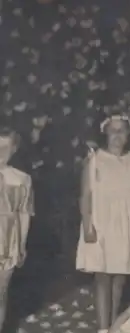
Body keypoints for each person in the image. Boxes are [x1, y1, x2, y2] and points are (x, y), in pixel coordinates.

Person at [76, 113, 130, 333]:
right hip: (102, 222)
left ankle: (113, 325)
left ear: (128, 135)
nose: (117, 135)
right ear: (105, 133)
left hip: (128, 223)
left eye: (122, 131)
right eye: (113, 130)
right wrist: (87, 225)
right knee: (102, 275)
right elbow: (85, 195)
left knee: (120, 275)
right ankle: (102, 328)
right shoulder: (95, 159)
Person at [0, 127, 34, 331]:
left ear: (14, 150)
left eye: (6, 147)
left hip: (7, 239)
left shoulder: (21, 179)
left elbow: (24, 213)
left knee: (1, 291)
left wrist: (21, 244)